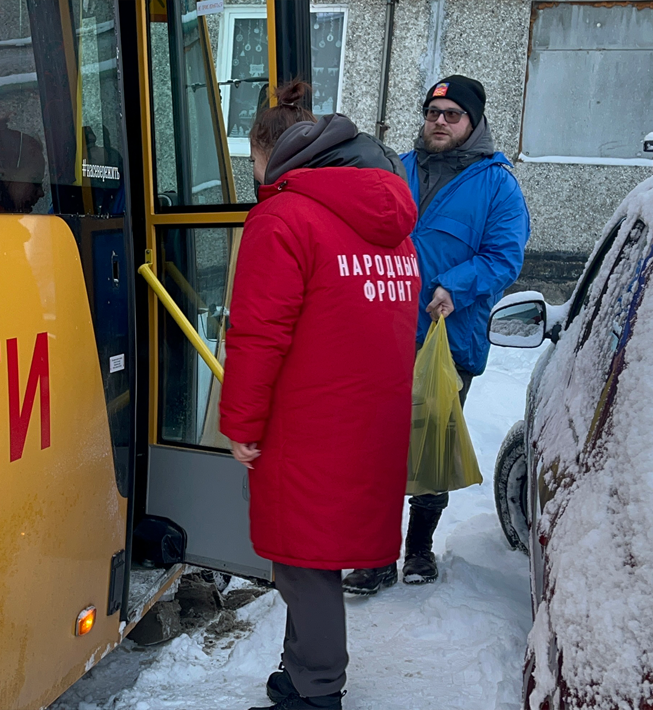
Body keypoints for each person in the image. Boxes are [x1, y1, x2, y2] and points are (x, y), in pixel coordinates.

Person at [219, 81, 420, 710]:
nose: (255, 178)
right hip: (369, 422)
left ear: (272, 156)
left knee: (304, 565)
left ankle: (316, 691)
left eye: (253, 163)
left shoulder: (283, 218)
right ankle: (300, 670)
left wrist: (242, 422)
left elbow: (257, 335)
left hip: (306, 424)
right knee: (313, 556)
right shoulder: (392, 226)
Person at [342, 75, 530, 595]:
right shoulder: (393, 169)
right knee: (377, 449)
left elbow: (504, 257)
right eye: (433, 112)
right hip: (383, 335)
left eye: (452, 114)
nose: (440, 122)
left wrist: (454, 286)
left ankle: (419, 549)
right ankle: (376, 557)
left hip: (448, 339)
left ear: (474, 122)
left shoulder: (497, 185)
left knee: (431, 446)